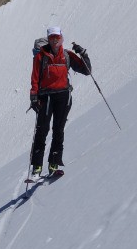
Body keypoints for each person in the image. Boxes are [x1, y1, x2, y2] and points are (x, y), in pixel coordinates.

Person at [28, 26, 91, 178]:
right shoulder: (40, 57)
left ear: (61, 38)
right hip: (45, 97)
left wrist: (83, 53)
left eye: (57, 37)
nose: (55, 40)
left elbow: (87, 70)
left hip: (63, 96)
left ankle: (53, 164)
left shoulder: (66, 55)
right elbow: (35, 78)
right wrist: (34, 96)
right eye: (52, 37)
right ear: (48, 39)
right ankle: (37, 167)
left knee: (58, 130)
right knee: (41, 130)